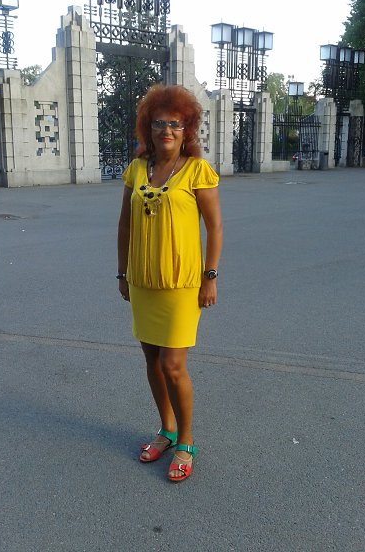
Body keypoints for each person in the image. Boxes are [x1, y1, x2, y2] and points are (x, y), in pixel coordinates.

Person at [117, 84, 223, 482]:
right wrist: (122, 273)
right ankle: (167, 429)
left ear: (186, 129)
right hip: (143, 280)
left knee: (173, 365)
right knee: (151, 360)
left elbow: (214, 228)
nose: (167, 130)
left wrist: (210, 277)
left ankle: (186, 441)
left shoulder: (196, 171)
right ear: (148, 127)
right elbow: (124, 225)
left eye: (175, 124)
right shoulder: (137, 169)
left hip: (181, 283)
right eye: (159, 123)